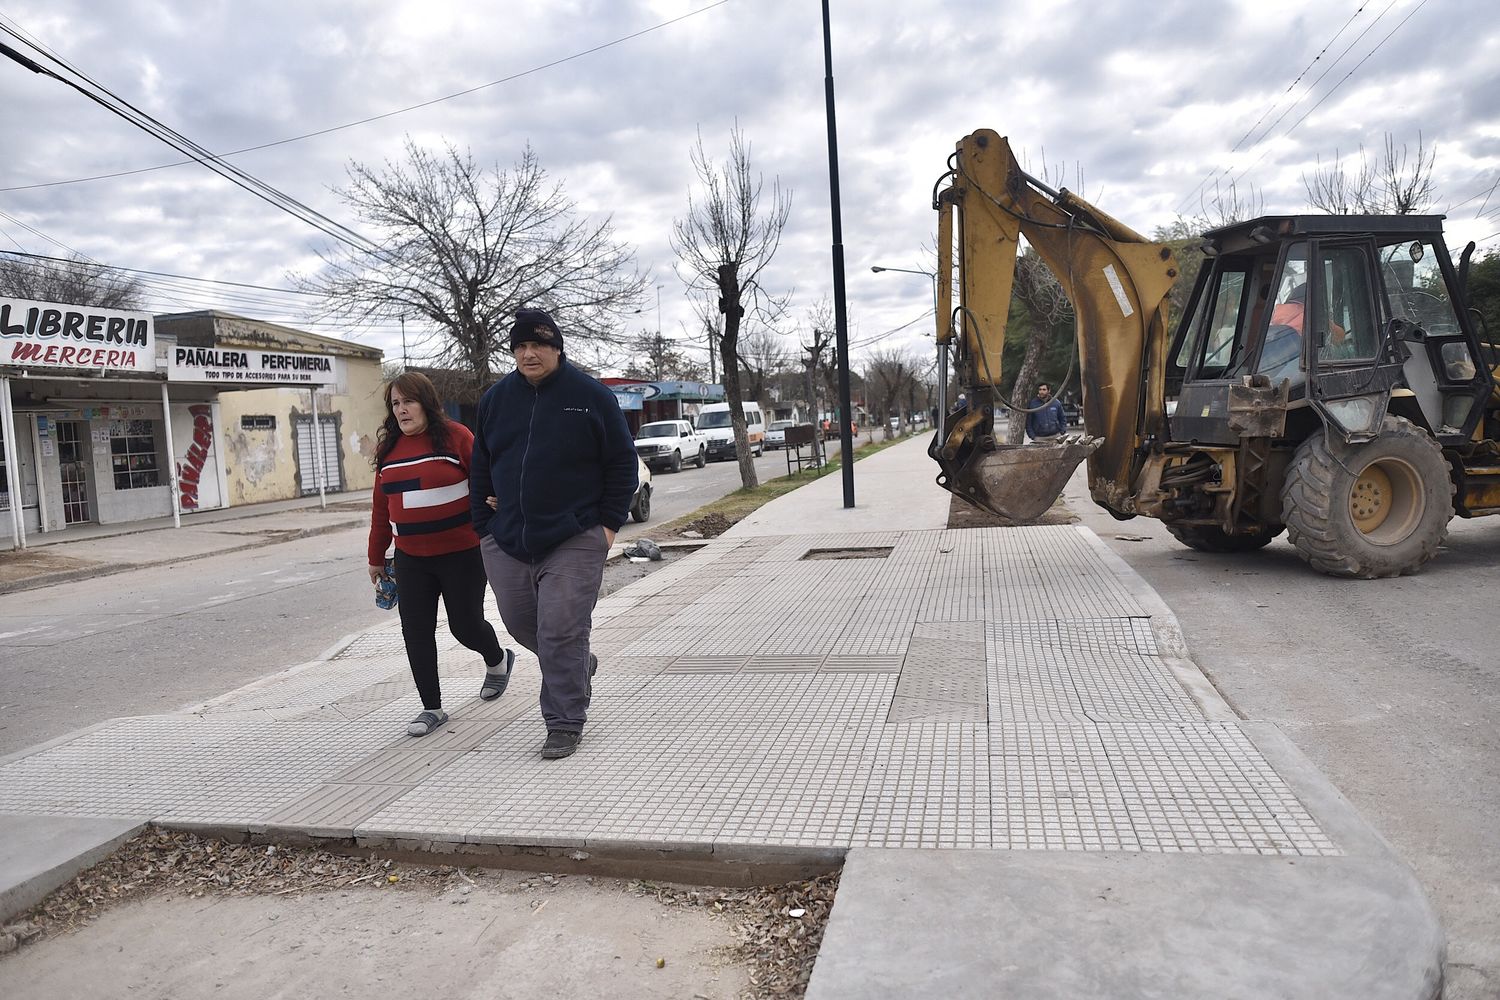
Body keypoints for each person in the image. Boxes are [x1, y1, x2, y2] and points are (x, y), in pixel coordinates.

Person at [471, 308, 638, 760]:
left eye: (538, 345)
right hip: (506, 537)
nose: (529, 354)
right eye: (520, 347)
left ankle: (564, 721)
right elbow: (481, 467)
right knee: (524, 625)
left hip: (575, 534)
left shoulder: (592, 396)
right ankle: (579, 666)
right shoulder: (496, 400)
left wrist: (606, 526)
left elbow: (623, 464)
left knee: (561, 628)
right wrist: (483, 528)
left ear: (556, 348)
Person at [368, 372, 516, 738]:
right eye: (395, 403)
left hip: (462, 553)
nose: (402, 410)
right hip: (410, 558)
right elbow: (380, 509)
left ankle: (497, 660)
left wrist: (499, 504)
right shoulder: (388, 451)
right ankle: (431, 707)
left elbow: (487, 478)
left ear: (426, 402)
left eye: (408, 401)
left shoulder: (456, 436)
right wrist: (375, 556)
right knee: (415, 632)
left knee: (464, 625)